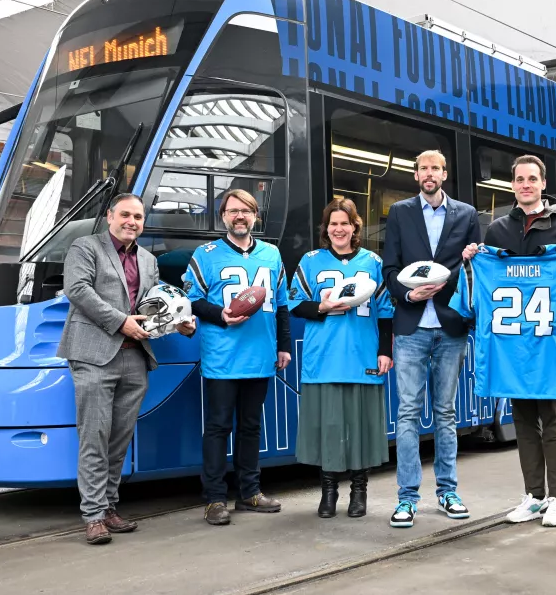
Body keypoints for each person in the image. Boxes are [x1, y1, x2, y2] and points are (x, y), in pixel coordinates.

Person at [461, 154, 556, 528]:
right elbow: (479, 285)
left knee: (554, 422)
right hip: (513, 349)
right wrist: (472, 260)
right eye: (519, 179)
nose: (525, 185)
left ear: (543, 184)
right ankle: (534, 495)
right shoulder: (498, 231)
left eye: (532, 179)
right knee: (523, 423)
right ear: (513, 185)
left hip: (549, 347)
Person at [58, 193, 196, 545]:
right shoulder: (85, 247)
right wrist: (121, 322)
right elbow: (77, 290)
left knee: (119, 439)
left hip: (135, 357)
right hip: (93, 354)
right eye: (125, 215)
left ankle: (109, 508)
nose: (131, 221)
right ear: (109, 217)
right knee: (94, 437)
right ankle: (92, 515)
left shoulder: (148, 260)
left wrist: (179, 322)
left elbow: (153, 306)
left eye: (137, 217)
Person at [382, 149, 481, 528]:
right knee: (407, 413)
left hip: (451, 326)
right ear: (415, 174)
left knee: (445, 413)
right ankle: (406, 498)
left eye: (436, 168)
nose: (429, 173)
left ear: (444, 173)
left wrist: (462, 271)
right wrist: (408, 294)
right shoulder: (400, 213)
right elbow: (390, 268)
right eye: (423, 167)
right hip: (410, 327)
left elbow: (474, 269)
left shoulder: (467, 215)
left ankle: (448, 492)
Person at [183, 188, 292, 526]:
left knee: (250, 426)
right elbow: (192, 300)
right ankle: (215, 499)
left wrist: (283, 346)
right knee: (218, 427)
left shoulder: (272, 254)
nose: (239, 216)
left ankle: (250, 493)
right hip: (223, 356)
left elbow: (282, 306)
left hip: (260, 354)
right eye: (232, 211)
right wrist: (221, 315)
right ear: (224, 217)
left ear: (255, 215)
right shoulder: (206, 254)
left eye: (245, 210)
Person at [289, 198, 394, 518]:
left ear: (355, 227)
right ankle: (329, 491)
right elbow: (295, 303)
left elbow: (386, 311)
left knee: (361, 427)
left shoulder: (372, 262)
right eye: (333, 223)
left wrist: (385, 351)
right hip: (324, 356)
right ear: (326, 228)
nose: (339, 229)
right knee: (329, 426)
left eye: (345, 223)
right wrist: (321, 307)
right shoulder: (311, 261)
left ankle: (359, 492)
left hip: (362, 353)